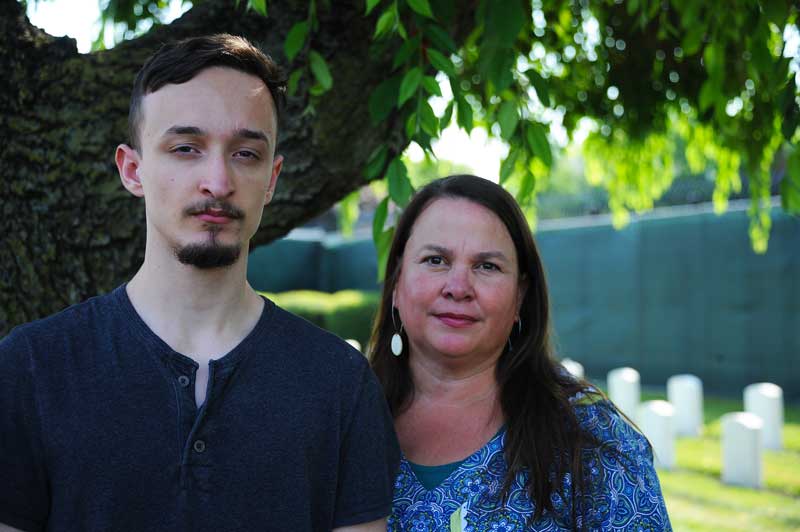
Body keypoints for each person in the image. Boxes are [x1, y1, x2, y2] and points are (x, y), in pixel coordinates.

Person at [0, 34, 399, 532]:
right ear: (132, 169)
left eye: (246, 154)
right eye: (186, 148)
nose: (218, 180)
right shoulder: (32, 370)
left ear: (272, 178)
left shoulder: (340, 384)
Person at [369, 175, 671, 531]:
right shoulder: (340, 416)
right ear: (397, 283)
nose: (458, 287)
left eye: (487, 266)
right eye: (436, 260)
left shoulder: (591, 439)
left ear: (520, 297)